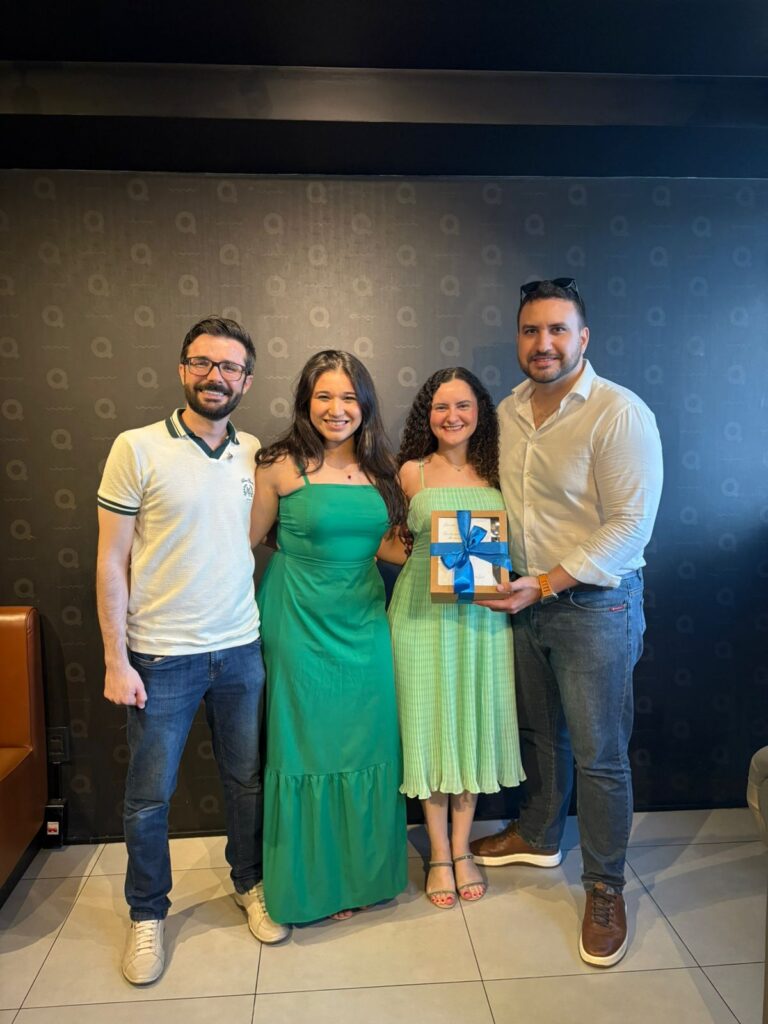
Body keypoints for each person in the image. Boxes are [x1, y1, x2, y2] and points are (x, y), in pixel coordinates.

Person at [471, 278, 663, 967]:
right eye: (531, 330)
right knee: (541, 736)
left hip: (595, 608)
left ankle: (605, 888)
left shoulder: (618, 412)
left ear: (583, 337)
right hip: (527, 601)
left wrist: (549, 582)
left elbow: (631, 525)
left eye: (558, 329)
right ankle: (539, 834)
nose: (543, 343)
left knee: (599, 754)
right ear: (518, 338)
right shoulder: (507, 410)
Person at [96, 316, 288, 987]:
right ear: (183, 369)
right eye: (203, 363)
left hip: (240, 649)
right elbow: (111, 560)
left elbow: (257, 539)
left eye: (230, 367)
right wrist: (116, 659)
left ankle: (250, 883)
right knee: (150, 798)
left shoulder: (254, 452)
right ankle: (147, 913)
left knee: (247, 781)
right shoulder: (136, 447)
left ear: (247, 380)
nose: (215, 376)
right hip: (160, 656)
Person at [252, 349, 408, 925]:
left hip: (365, 622)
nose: (336, 409)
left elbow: (388, 548)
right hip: (297, 622)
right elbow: (245, 544)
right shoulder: (278, 465)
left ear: (364, 404)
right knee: (306, 748)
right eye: (324, 396)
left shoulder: (384, 469)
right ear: (306, 402)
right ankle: (312, 886)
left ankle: (364, 878)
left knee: (369, 744)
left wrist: (451, 550)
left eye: (348, 397)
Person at [386, 368, 525, 909]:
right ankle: (439, 853)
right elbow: (388, 543)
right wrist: (429, 559)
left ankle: (463, 847)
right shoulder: (411, 473)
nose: (452, 416)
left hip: (482, 621)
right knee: (431, 726)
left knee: (470, 724)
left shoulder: (500, 473)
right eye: (441, 407)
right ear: (428, 415)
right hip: (420, 618)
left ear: (479, 412)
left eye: (463, 405)